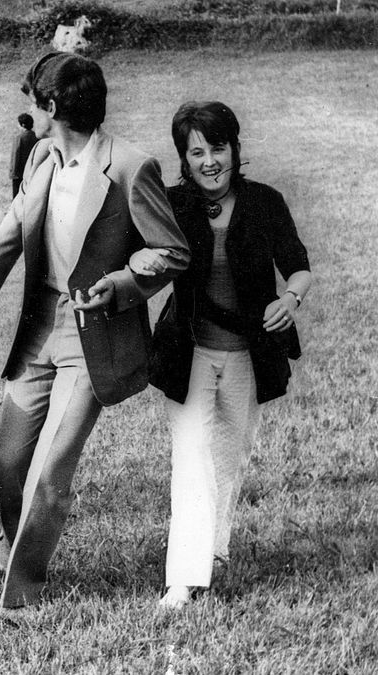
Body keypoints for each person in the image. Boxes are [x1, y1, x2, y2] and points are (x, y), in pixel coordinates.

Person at [0, 52, 190, 609]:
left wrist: (120, 283)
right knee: (7, 461)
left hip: (93, 336)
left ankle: (20, 594)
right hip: (38, 330)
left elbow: (171, 251)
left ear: (51, 107)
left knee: (49, 469)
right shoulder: (42, 158)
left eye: (33, 102)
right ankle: (14, 539)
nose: (29, 112)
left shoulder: (129, 167)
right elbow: (3, 242)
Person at [141, 101, 313, 610]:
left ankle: (214, 548)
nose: (209, 161)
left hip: (246, 356)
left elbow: (299, 268)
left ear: (236, 150)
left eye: (218, 148)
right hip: (187, 353)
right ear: (184, 158)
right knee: (191, 457)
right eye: (197, 152)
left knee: (229, 457)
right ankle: (183, 579)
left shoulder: (265, 202)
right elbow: (134, 251)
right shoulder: (171, 205)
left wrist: (290, 298)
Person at [9, 112, 36, 199]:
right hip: (33, 171)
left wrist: (13, 173)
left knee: (17, 195)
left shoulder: (19, 138)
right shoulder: (37, 136)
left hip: (19, 173)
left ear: (23, 125)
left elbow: (15, 156)